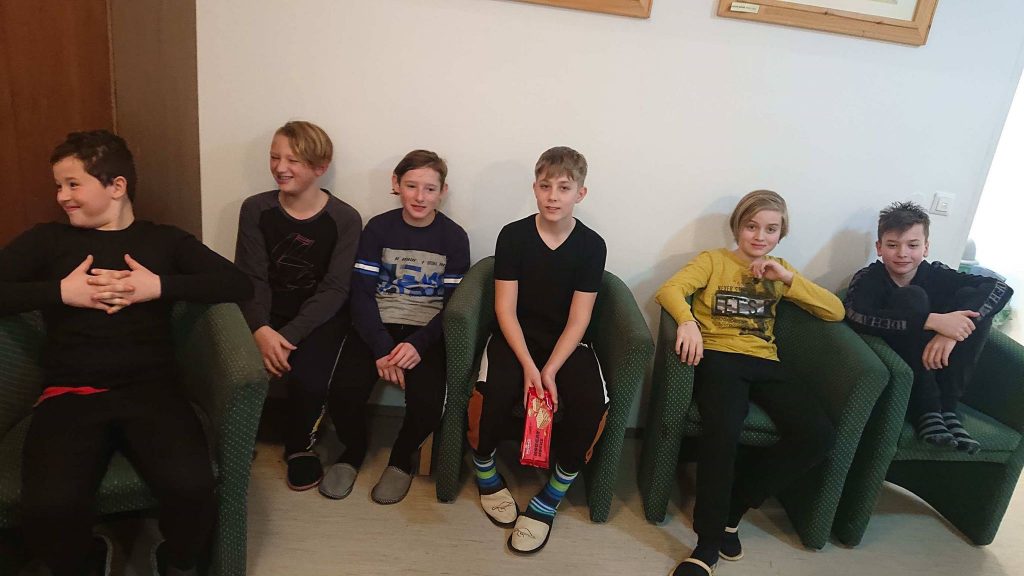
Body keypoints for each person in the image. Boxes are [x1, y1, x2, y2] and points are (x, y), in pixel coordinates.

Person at [0, 130, 253, 576]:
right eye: (58, 186)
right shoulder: (47, 241)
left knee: (192, 488)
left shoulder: (164, 242)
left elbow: (237, 284)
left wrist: (158, 286)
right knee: (49, 507)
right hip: (70, 394)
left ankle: (176, 560)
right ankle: (88, 557)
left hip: (153, 392)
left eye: (73, 184)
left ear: (116, 185)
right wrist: (61, 293)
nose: (62, 197)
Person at [655, 190, 842, 576]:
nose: (760, 236)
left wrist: (788, 279)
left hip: (765, 361)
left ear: (781, 233)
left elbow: (834, 311)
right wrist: (687, 322)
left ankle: (735, 507)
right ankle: (707, 546)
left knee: (818, 434)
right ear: (737, 227)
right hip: (720, 360)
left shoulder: (780, 270)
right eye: (751, 226)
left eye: (771, 229)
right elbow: (669, 290)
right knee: (722, 433)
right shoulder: (713, 261)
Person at [466, 146, 608, 554]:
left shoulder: (592, 245)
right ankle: (485, 469)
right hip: (516, 338)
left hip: (567, 343)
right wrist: (530, 367)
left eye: (564, 188)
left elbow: (579, 319)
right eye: (545, 186)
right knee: (494, 393)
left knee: (590, 403)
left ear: (580, 193)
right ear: (534, 188)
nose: (553, 196)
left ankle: (551, 496)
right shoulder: (513, 236)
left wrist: (549, 371)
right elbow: (504, 309)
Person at [322, 149, 469, 505]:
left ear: (443, 191)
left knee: (427, 403)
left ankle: (402, 458)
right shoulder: (378, 228)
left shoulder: (454, 237)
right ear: (396, 184)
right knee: (343, 392)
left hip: (426, 334)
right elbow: (360, 294)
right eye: (411, 185)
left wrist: (418, 344)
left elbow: (453, 305)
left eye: (430, 189)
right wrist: (381, 347)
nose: (420, 197)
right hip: (376, 327)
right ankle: (353, 449)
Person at [234, 120, 361, 490]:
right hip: (265, 312)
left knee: (309, 379)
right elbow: (251, 276)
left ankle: (299, 448)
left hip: (319, 317)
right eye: (275, 157)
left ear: (320, 168)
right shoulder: (255, 209)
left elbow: (336, 288)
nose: (280, 167)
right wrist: (261, 330)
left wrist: (287, 337)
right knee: (238, 367)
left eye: (293, 160)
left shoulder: (344, 218)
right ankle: (237, 439)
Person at [844, 201, 1012, 453]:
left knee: (973, 303)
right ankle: (927, 410)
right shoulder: (870, 277)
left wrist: (950, 333)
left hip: (943, 371)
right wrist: (930, 321)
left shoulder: (936, 273)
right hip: (905, 372)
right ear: (879, 248)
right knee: (911, 297)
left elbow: (1000, 288)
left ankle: (947, 409)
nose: (902, 253)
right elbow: (856, 314)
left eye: (912, 245)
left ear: (926, 247)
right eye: (892, 245)